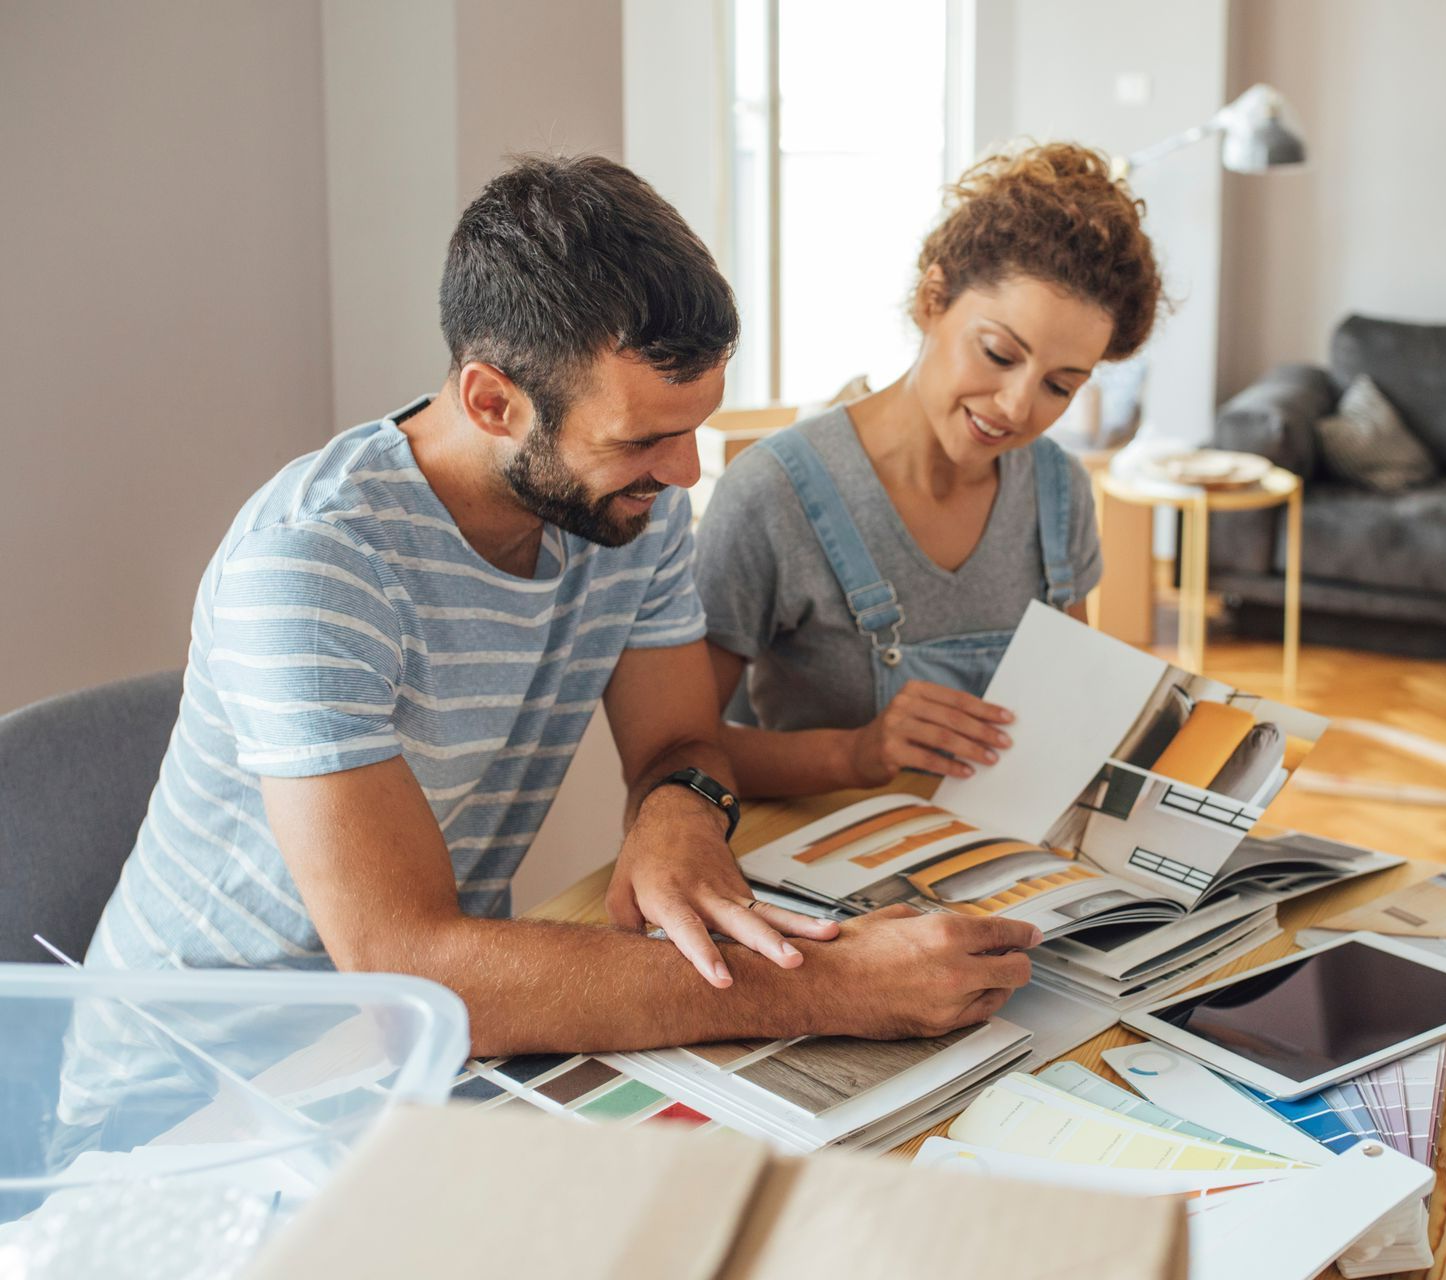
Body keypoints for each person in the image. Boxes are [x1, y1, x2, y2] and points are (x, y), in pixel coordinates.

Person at [62, 154, 1038, 1119]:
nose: (687, 472)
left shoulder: (624, 509)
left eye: (694, 426)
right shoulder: (315, 566)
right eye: (643, 438)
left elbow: (681, 745)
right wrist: (834, 988)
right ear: (493, 400)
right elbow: (410, 968)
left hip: (412, 1064)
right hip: (191, 1106)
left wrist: (679, 814)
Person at [696, 143, 1163, 798]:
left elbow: (1063, 722)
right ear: (932, 299)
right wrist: (854, 754)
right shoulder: (773, 497)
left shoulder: (1059, 494)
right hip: (823, 880)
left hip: (1003, 873)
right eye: (999, 353)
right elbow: (678, 755)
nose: (1016, 408)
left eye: (1060, 386)